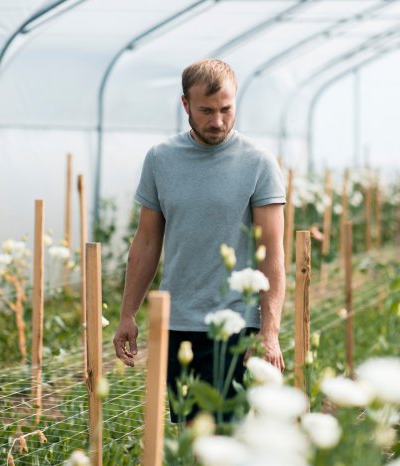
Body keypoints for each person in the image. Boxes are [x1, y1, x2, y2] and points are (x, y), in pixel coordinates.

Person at [112, 59, 286, 421]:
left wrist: (269, 333)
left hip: (239, 327)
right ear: (185, 104)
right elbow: (146, 242)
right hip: (180, 324)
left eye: (226, 109)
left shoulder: (258, 163)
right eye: (206, 111)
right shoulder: (161, 160)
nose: (218, 121)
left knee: (230, 437)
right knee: (192, 435)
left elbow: (272, 255)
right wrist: (127, 312)